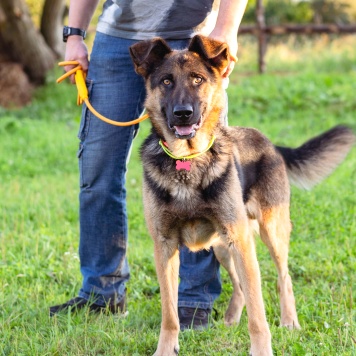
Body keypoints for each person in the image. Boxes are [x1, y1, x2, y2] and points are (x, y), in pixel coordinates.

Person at [50, 0, 248, 330]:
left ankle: (194, 299)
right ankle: (102, 292)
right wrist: (74, 33)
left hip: (195, 37)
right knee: (98, 170)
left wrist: (227, 26)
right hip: (116, 40)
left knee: (202, 177)